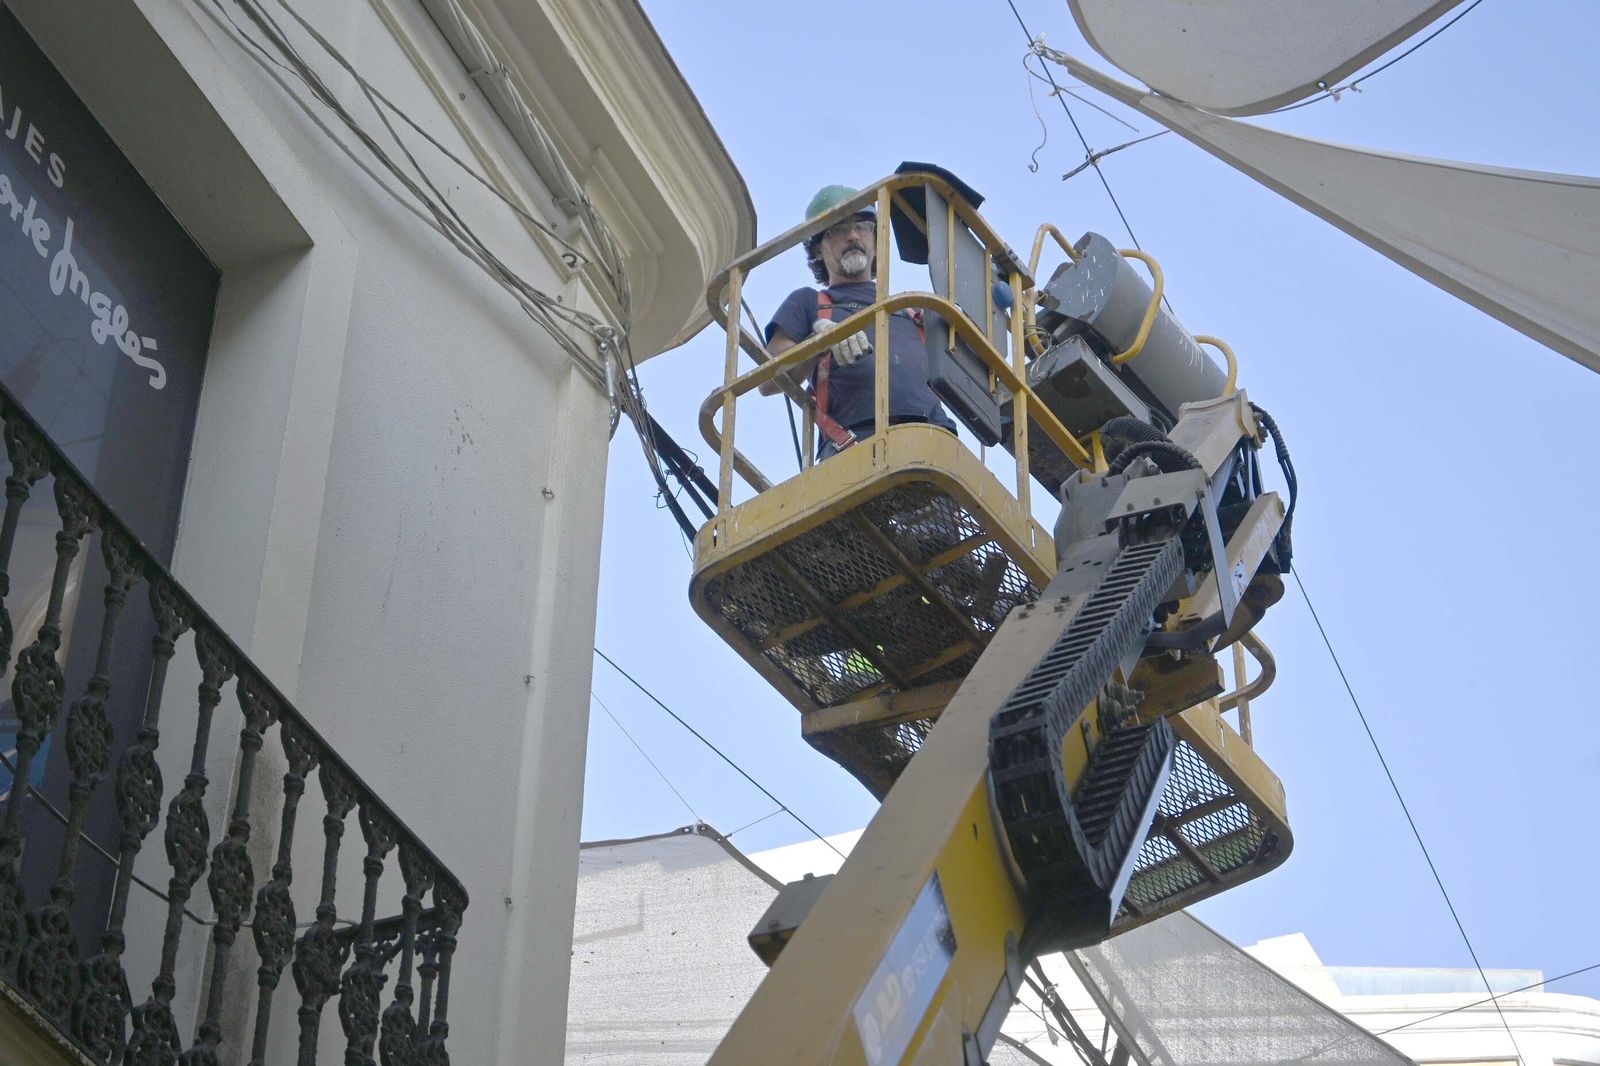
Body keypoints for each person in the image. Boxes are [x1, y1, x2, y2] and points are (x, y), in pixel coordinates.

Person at [762, 184, 956, 458]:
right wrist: (819, 341)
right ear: (817, 248)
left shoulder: (911, 310)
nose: (852, 236)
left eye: (862, 226)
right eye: (838, 229)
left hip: (933, 440)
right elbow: (768, 381)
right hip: (854, 447)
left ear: (876, 239)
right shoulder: (809, 302)